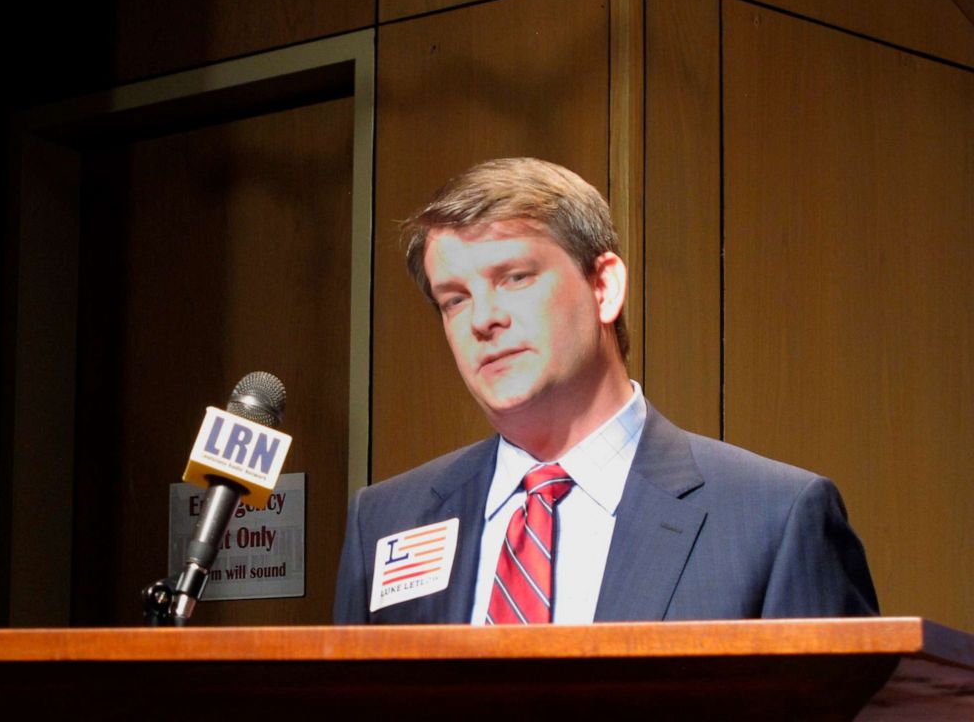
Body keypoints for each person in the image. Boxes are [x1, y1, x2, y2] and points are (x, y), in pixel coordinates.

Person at [334, 157, 878, 625]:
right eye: (455, 299)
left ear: (603, 287)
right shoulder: (386, 522)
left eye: (515, 278)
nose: (484, 319)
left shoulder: (773, 517)